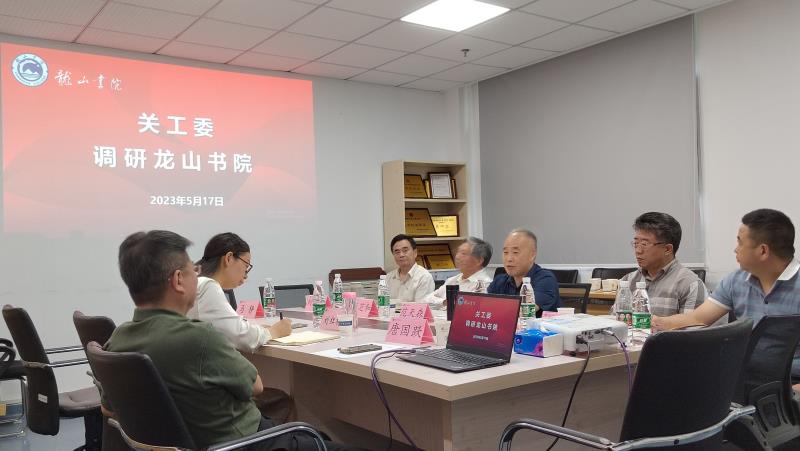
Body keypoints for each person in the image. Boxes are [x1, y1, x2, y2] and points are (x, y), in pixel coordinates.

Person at [106, 230, 362, 451]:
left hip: (195, 442)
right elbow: (255, 386)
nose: (199, 275)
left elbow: (109, 408)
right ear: (178, 280)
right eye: (193, 270)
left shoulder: (118, 340)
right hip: (247, 442)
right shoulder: (199, 338)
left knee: (314, 437)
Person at [652, 209, 800, 377]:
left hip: (792, 381)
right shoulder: (736, 280)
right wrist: (656, 322)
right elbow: (697, 319)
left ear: (763, 251)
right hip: (743, 377)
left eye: (740, 243)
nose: (735, 250)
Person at [188, 232, 291, 353]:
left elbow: (230, 328)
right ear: (228, 258)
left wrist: (254, 330)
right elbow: (242, 337)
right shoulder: (207, 286)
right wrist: (274, 331)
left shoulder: (195, 282)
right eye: (246, 266)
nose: (246, 275)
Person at [612, 212, 708, 317]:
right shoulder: (628, 281)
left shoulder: (690, 285)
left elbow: (691, 327)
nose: (638, 251)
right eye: (636, 243)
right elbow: (616, 321)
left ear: (667, 249)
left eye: (644, 244)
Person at [488, 228, 561, 313]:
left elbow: (526, 311)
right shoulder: (499, 281)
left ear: (532, 255)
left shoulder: (545, 279)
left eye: (515, 252)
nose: (509, 259)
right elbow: (482, 307)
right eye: (505, 252)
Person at [424, 237, 493, 304]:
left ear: (479, 261)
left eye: (463, 253)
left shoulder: (485, 285)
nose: (457, 257)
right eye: (458, 252)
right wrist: (444, 302)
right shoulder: (452, 280)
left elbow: (469, 307)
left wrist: (447, 303)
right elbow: (427, 299)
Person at [386, 234, 435, 301]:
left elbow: (421, 306)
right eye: (397, 252)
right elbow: (383, 304)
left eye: (405, 250)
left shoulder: (424, 277)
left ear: (415, 253)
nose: (401, 255)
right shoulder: (388, 278)